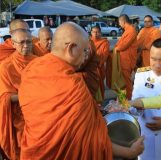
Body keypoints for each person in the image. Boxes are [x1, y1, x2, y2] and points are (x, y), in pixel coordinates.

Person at [18, 22, 144, 159]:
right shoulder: (71, 85)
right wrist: (130, 152)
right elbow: (90, 141)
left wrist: (92, 110)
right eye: (85, 51)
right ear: (71, 48)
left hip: (34, 151)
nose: (86, 57)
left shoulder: (32, 68)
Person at [0, 29, 36, 160]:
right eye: (22, 42)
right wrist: (32, 97)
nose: (26, 45)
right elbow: (5, 97)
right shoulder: (6, 67)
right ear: (13, 44)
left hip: (39, 114)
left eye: (28, 42)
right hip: (19, 118)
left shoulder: (39, 62)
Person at [115, 14, 138, 99]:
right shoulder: (127, 30)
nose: (119, 24)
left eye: (119, 22)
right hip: (124, 59)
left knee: (126, 81)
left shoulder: (131, 30)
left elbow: (123, 46)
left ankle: (129, 99)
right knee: (123, 80)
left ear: (123, 21)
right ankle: (124, 97)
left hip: (128, 60)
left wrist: (116, 49)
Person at [90, 26, 110, 101]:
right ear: (91, 33)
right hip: (89, 70)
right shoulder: (88, 42)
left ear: (100, 33)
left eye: (97, 32)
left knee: (100, 87)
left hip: (99, 68)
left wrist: (96, 61)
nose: (96, 34)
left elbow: (104, 55)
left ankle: (99, 103)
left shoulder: (104, 42)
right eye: (94, 32)